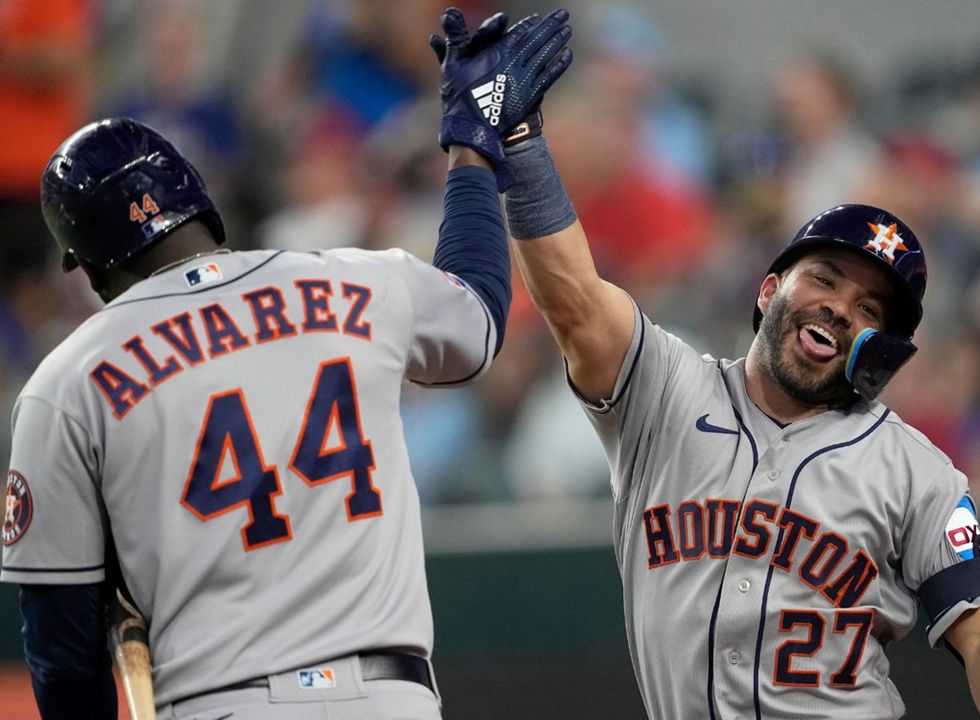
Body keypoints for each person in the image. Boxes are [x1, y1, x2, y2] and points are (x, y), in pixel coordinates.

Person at [0, 7, 571, 719]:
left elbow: (62, 651)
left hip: (218, 700)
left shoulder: (67, 380)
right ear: (200, 202)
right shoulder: (353, 279)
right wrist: (471, 151)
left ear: (82, 262)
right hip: (391, 696)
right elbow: (481, 313)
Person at [494, 8, 980, 718]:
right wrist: (518, 141)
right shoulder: (666, 391)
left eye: (871, 309)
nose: (842, 308)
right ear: (770, 290)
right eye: (823, 278)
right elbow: (575, 302)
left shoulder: (913, 470)